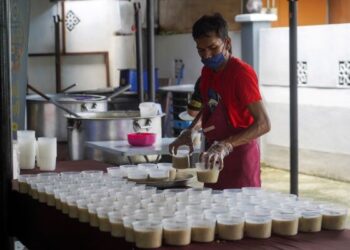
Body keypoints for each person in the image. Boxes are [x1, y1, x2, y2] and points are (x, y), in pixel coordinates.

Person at [169, 13, 271, 189]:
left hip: (240, 158)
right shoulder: (207, 72)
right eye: (201, 50)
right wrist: (190, 130)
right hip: (213, 156)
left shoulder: (241, 74)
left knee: (238, 212)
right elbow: (210, 108)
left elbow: (264, 124)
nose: (207, 55)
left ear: (227, 43)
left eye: (213, 48)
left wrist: (226, 145)